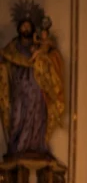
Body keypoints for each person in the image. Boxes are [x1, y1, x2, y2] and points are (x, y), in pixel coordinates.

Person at [0, 11, 64, 158]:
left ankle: (36, 146)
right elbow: (5, 58)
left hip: (36, 86)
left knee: (36, 115)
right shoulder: (12, 47)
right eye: (23, 26)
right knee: (17, 116)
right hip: (19, 87)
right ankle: (16, 146)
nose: (26, 28)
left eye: (28, 26)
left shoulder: (38, 45)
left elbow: (51, 56)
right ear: (19, 28)